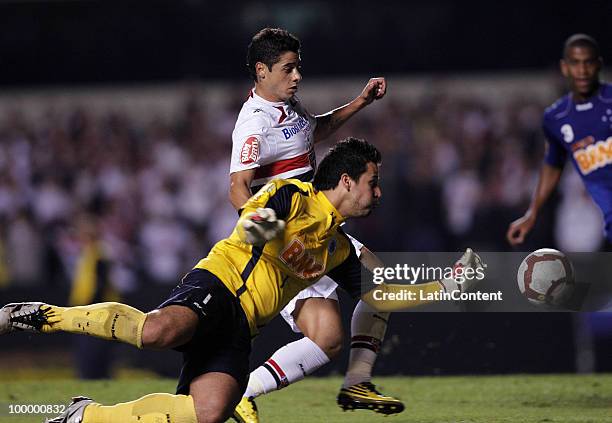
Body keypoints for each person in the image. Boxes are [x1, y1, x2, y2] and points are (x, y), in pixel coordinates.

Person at [0, 138, 484, 423]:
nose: (377, 193)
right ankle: (42, 316)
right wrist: (292, 249)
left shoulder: (337, 248)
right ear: (346, 182)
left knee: (209, 412)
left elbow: (381, 297)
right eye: (372, 183)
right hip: (219, 284)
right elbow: (251, 225)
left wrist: (446, 286)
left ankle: (86, 416)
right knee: (156, 332)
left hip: (243, 328)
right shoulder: (292, 194)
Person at [228, 27, 397, 421]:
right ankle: (244, 392)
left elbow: (313, 130)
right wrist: (275, 242)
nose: (297, 76)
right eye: (288, 69)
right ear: (261, 71)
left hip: (319, 231)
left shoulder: (288, 106)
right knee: (327, 338)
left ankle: (357, 382)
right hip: (288, 244)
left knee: (379, 287)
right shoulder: (254, 123)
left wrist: (360, 102)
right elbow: (237, 190)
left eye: (297, 68)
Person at [507, 34, 611, 249]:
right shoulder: (555, 117)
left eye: (587, 63)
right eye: (574, 64)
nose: (581, 71)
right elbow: (552, 164)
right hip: (578, 204)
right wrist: (532, 212)